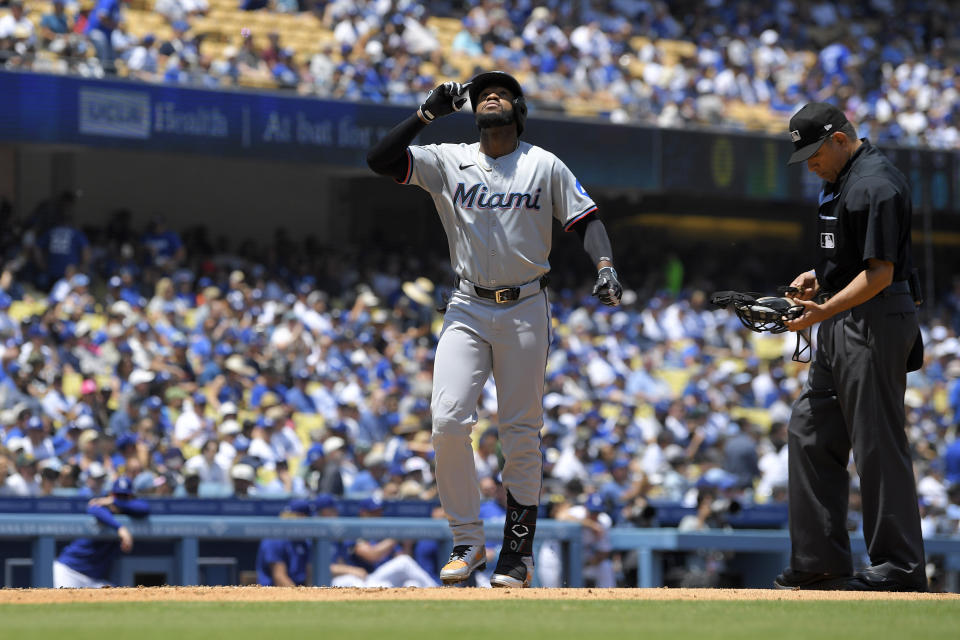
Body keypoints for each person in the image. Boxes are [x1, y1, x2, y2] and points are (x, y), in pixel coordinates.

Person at [366, 71, 622, 588]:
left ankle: (517, 552)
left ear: (518, 108)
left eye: (501, 91)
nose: (491, 95)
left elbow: (585, 220)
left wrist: (605, 266)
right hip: (466, 304)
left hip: (526, 305)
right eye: (483, 92)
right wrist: (424, 114)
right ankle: (467, 540)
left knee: (520, 434)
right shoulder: (448, 158)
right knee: (446, 422)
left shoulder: (543, 164)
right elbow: (380, 160)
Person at [775, 102, 927, 592]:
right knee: (809, 429)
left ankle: (899, 566)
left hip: (875, 318)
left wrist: (824, 308)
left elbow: (880, 272)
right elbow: (848, 259)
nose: (811, 164)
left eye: (815, 153)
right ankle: (820, 561)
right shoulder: (840, 182)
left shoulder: (876, 183)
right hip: (843, 317)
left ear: (840, 139)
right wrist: (816, 279)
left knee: (876, 441)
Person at [53, 476, 149, 588]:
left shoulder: (127, 508)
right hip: (70, 571)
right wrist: (120, 528)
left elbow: (144, 508)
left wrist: (115, 501)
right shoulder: (103, 509)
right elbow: (93, 508)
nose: (121, 498)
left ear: (131, 497)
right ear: (110, 494)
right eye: (117, 495)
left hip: (94, 579)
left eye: (125, 496)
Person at [255, 499, 315, 586]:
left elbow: (309, 574)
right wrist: (301, 596)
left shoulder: (304, 542)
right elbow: (279, 577)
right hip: (274, 593)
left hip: (298, 590)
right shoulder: (274, 539)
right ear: (300, 517)